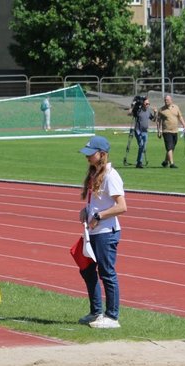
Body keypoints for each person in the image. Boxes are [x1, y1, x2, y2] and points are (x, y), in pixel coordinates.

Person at [76, 135, 128, 329]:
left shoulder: (110, 176)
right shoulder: (94, 174)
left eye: (91, 154)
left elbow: (122, 206)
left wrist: (99, 216)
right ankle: (96, 311)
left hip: (106, 232)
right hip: (93, 232)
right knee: (87, 270)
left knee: (107, 273)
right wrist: (87, 210)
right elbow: (99, 202)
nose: (87, 157)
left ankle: (112, 316)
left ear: (102, 154)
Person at [156, 94, 185, 169]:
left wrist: (184, 125)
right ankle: (172, 164)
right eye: (165, 100)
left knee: (172, 147)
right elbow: (158, 121)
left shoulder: (176, 107)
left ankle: (165, 161)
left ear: (171, 100)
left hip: (175, 131)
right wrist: (159, 131)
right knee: (169, 147)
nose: (166, 101)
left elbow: (180, 116)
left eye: (167, 100)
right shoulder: (161, 110)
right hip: (166, 131)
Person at [130, 96, 155, 168]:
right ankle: (139, 162)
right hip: (138, 130)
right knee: (141, 145)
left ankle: (139, 162)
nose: (148, 105)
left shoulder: (148, 111)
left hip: (145, 131)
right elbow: (132, 112)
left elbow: (153, 119)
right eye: (146, 103)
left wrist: (155, 113)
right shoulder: (138, 110)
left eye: (148, 104)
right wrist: (135, 104)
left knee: (144, 147)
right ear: (143, 104)